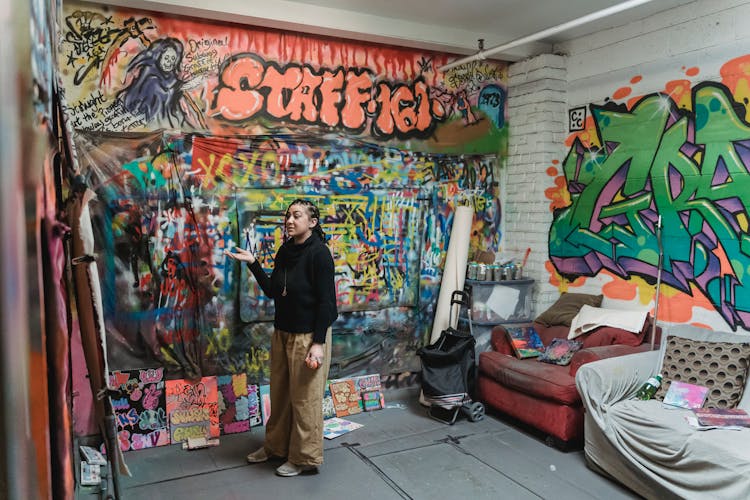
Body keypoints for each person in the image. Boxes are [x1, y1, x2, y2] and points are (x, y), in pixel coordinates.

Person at [224, 199, 337, 477]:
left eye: (296, 215)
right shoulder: (285, 251)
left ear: (312, 222)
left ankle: (304, 458)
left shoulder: (320, 254)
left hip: (309, 336)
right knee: (281, 395)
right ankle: (275, 447)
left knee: (305, 400)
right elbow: (274, 290)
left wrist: (318, 343)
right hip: (283, 333)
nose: (289, 220)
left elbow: (328, 304)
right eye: (288, 215)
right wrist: (253, 264)